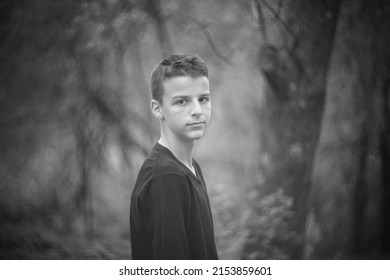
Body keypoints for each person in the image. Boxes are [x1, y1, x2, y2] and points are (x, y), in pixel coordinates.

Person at [130, 54, 218, 260]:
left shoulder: (189, 166)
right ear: (157, 109)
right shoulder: (166, 177)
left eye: (203, 99)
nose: (197, 111)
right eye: (181, 102)